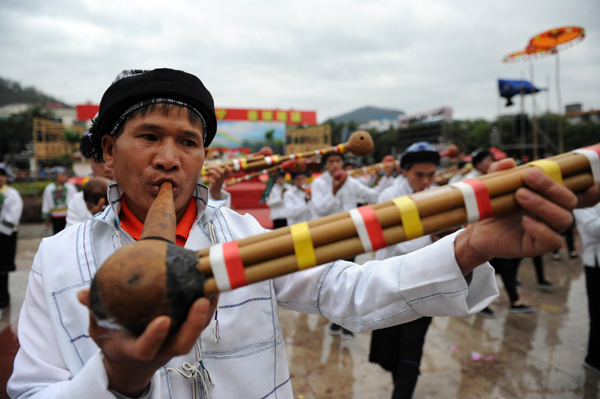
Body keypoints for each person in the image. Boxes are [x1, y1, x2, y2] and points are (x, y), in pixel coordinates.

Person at [8, 68, 591, 399]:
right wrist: (118, 376)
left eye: (187, 142)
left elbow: (353, 291)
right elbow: (31, 393)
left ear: (203, 157)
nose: (169, 158)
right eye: (149, 137)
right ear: (108, 153)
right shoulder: (59, 259)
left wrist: (471, 245)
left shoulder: (243, 234)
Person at [369, 142, 440, 399]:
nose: (426, 181)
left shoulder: (438, 195)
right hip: (392, 282)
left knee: (412, 345)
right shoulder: (388, 197)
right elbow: (394, 243)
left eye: (431, 174)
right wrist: (433, 237)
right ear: (404, 171)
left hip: (423, 285)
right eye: (419, 175)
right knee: (391, 349)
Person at [311, 151, 394, 338]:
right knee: (331, 278)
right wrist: (334, 190)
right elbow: (318, 209)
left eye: (338, 160)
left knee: (349, 276)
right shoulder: (319, 183)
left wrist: (387, 176)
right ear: (325, 165)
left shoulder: (351, 181)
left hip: (350, 236)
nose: (335, 164)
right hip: (328, 237)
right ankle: (333, 317)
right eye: (331, 161)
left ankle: (344, 322)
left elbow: (373, 196)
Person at [455, 149, 535, 316]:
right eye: (488, 160)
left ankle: (513, 301)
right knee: (482, 269)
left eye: (492, 159)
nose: (491, 162)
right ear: (478, 164)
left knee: (502, 267)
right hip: (475, 233)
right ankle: (481, 301)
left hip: (492, 231)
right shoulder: (469, 181)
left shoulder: (490, 179)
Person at [573, 202, 600, 374]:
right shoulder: (583, 202)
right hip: (595, 265)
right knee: (598, 314)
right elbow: (592, 229)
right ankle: (594, 358)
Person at [0, 166, 23, 308]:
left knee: (2, 268)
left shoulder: (12, 194)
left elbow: (13, 215)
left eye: (2, 175)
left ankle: (3, 297)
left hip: (4, 236)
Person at [41, 166, 77, 234]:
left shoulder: (71, 187)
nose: (65, 176)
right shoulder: (49, 188)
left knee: (69, 233)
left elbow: (75, 201)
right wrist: (46, 217)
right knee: (57, 233)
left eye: (65, 174)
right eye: (62, 175)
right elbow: (46, 202)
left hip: (69, 215)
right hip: (55, 216)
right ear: (56, 176)